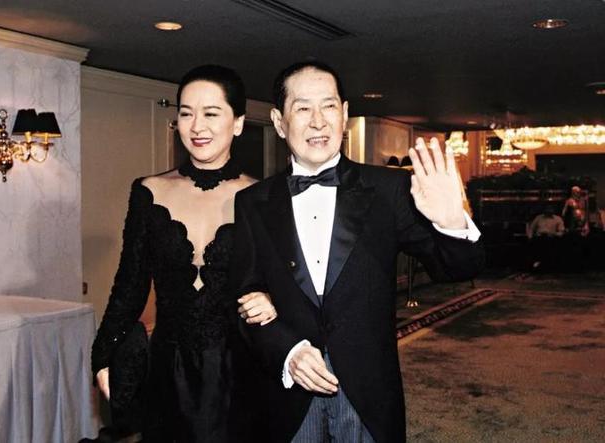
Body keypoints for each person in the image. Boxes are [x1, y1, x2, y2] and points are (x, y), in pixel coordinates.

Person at [231, 61, 484, 442]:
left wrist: (451, 220)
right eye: (303, 108)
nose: (318, 121)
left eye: (329, 106)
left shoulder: (388, 189)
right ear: (279, 122)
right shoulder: (252, 202)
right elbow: (243, 298)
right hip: (288, 394)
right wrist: (287, 351)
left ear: (345, 114)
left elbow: (459, 269)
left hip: (368, 393)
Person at [91, 64, 277, 442]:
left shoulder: (265, 198)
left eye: (211, 113)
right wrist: (103, 357)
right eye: (187, 113)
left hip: (241, 374)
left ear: (238, 123)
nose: (197, 126)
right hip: (168, 372)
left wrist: (272, 300)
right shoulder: (148, 191)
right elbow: (129, 286)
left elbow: (283, 280)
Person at [528, 205, 565, 270]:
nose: (548, 211)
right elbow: (531, 228)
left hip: (551, 238)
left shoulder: (558, 219)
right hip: (539, 238)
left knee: (549, 247)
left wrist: (554, 234)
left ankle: (545, 265)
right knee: (537, 246)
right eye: (547, 210)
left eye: (550, 210)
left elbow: (561, 232)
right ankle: (536, 265)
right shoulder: (538, 218)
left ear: (553, 210)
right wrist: (530, 237)